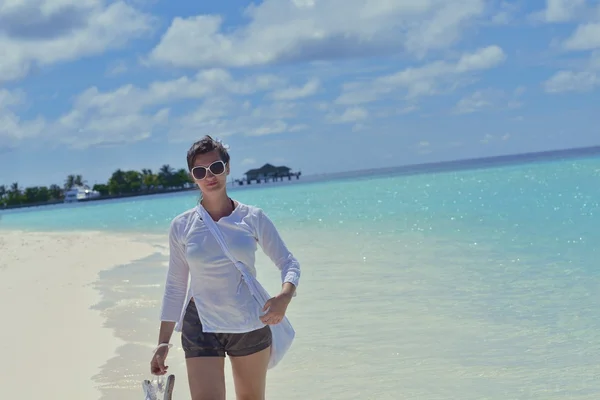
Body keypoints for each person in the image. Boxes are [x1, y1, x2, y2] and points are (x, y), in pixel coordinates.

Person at [150, 135, 301, 400]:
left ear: (227, 168)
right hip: (201, 325)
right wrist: (163, 342)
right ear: (192, 177)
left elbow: (288, 262)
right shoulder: (182, 226)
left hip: (249, 322)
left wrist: (284, 297)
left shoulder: (253, 218)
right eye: (200, 171)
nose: (210, 176)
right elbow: (175, 285)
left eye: (216, 167)